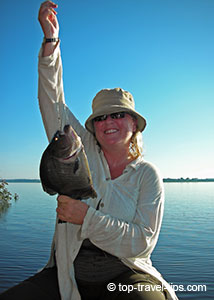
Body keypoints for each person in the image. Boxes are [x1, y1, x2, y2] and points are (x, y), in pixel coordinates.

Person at [0, 1, 178, 300]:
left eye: (118, 115)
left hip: (126, 272)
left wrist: (87, 217)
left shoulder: (147, 175)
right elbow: (51, 100)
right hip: (65, 272)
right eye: (101, 117)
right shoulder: (80, 148)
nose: (109, 121)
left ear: (134, 123)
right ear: (92, 126)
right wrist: (50, 41)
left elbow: (141, 244)